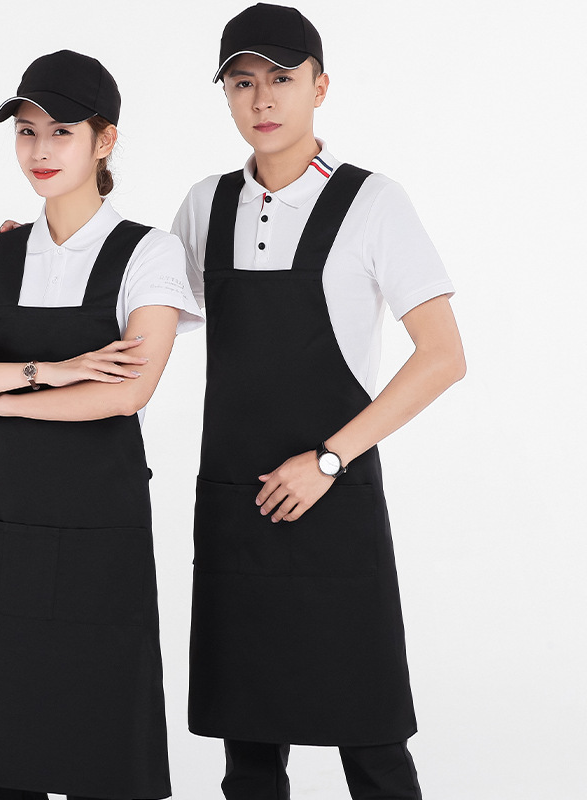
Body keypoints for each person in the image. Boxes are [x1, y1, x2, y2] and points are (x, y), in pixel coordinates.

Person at [171, 4, 465, 799]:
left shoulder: (374, 202)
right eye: (242, 82)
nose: (262, 98)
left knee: (373, 749)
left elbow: (443, 356)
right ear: (225, 95)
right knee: (248, 758)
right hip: (238, 507)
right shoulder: (205, 205)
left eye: (281, 77)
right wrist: (32, 242)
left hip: (335, 506)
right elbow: (143, 320)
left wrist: (329, 460)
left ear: (320, 87)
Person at [0, 49, 202, 800]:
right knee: (4, 762)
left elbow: (127, 392)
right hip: (7, 533)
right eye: (26, 131)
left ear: (105, 141)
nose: (40, 149)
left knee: (105, 759)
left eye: (62, 131)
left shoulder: (149, 252)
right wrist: (49, 371)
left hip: (102, 537)